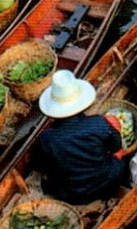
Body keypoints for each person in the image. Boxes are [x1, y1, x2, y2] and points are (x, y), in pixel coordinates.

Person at [35, 71, 128, 205]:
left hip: (72, 194)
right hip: (108, 183)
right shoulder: (100, 124)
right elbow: (116, 148)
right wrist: (116, 129)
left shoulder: (47, 139)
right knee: (119, 154)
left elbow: (44, 167)